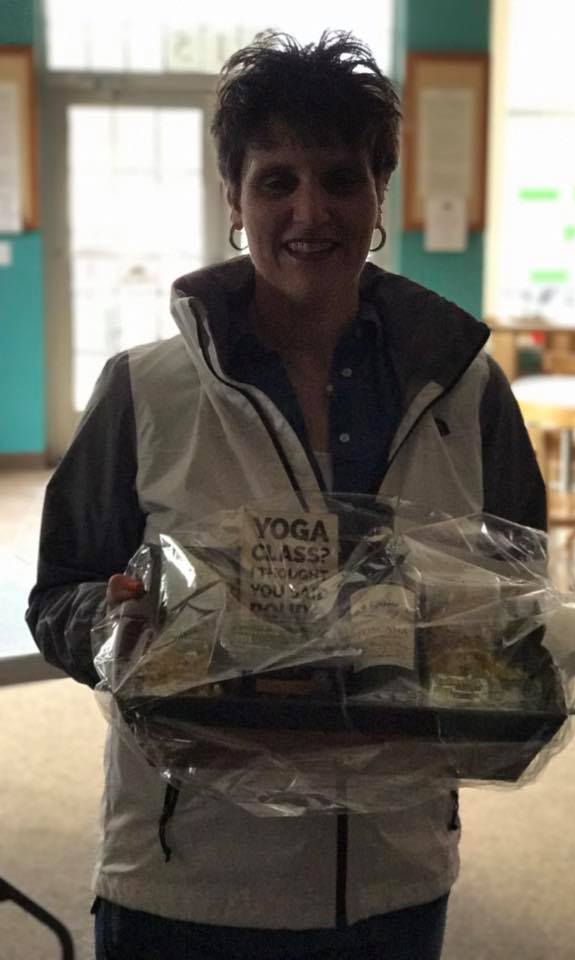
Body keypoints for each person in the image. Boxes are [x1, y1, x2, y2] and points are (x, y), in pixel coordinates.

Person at [27, 30, 546, 960]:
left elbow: (521, 598)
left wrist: (549, 664)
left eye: (341, 178)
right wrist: (115, 627)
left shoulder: (469, 396)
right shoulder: (146, 390)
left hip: (393, 876)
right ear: (234, 198)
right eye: (277, 181)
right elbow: (59, 592)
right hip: (185, 875)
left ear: (379, 190)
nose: (311, 210)